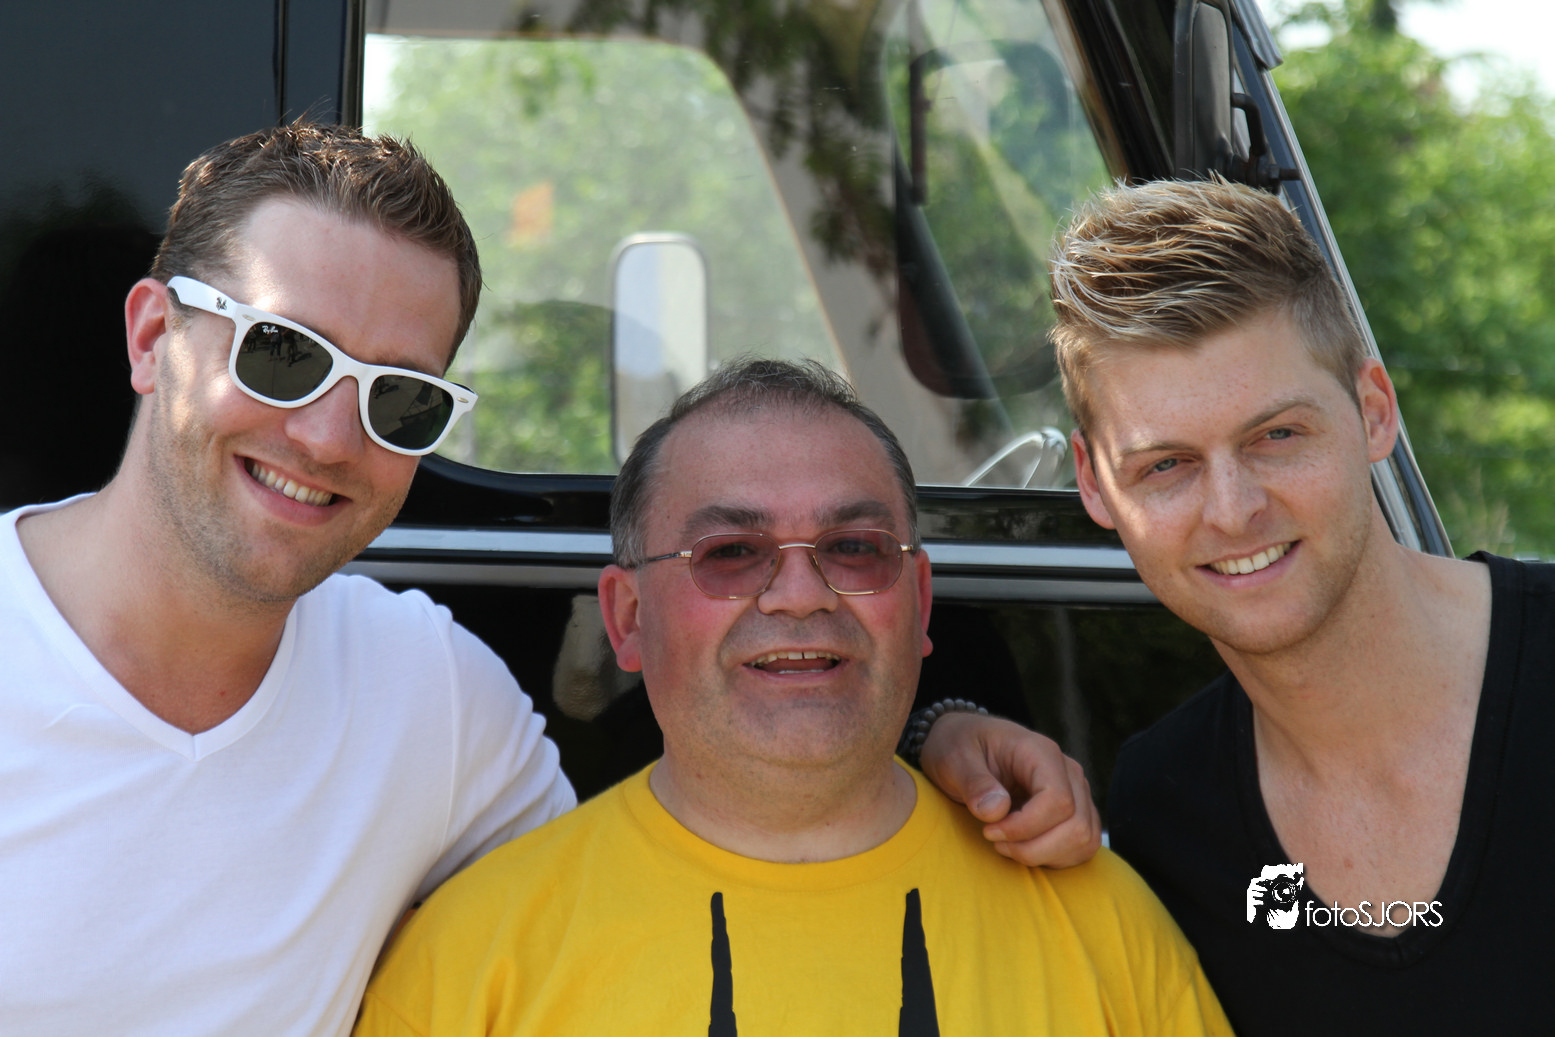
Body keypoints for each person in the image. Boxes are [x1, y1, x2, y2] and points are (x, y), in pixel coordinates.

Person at [0, 123, 1096, 1037]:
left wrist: (938, 730)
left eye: (400, 399)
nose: (330, 435)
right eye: (282, 353)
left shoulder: (426, 694)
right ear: (152, 336)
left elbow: (649, 862)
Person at [354, 359, 1230, 1036]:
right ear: (627, 619)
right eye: (731, 552)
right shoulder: (468, 961)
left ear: (919, 603)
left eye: (853, 547)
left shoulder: (1100, 919)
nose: (801, 594)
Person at [1050, 177, 1554, 1034]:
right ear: (1094, 486)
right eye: (1165, 465)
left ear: (1373, 412)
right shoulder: (1165, 804)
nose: (1231, 510)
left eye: (1276, 435)